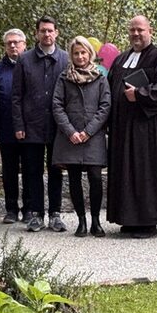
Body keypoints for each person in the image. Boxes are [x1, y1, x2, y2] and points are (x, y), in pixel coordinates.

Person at [106, 15, 157, 238]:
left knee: (144, 172)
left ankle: (147, 222)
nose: (136, 34)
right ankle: (127, 219)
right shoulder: (121, 59)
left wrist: (139, 94)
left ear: (150, 31)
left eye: (140, 30)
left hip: (148, 129)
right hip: (122, 128)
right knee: (124, 171)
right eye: (133, 30)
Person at [12, 16, 69, 233]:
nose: (46, 34)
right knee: (32, 170)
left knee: (56, 170)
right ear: (36, 33)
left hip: (58, 126)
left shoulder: (65, 59)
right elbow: (16, 95)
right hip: (31, 125)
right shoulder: (24, 60)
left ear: (56, 33)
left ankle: (55, 213)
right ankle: (36, 213)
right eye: (43, 31)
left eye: (50, 30)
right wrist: (19, 124)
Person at [52, 36, 111, 237]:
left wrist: (88, 131)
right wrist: (71, 132)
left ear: (90, 54)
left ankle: (96, 221)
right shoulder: (63, 78)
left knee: (95, 177)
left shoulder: (100, 77)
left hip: (93, 136)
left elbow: (105, 106)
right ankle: (81, 222)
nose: (80, 56)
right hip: (71, 137)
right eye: (76, 53)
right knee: (74, 178)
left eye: (83, 52)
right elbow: (57, 106)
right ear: (71, 55)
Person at [0, 28, 28, 224]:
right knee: (9, 170)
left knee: (30, 169)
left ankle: (29, 208)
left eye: (16, 42)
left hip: (30, 128)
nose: (13, 45)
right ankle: (11, 209)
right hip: (5, 127)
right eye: (9, 43)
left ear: (24, 44)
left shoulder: (31, 65)